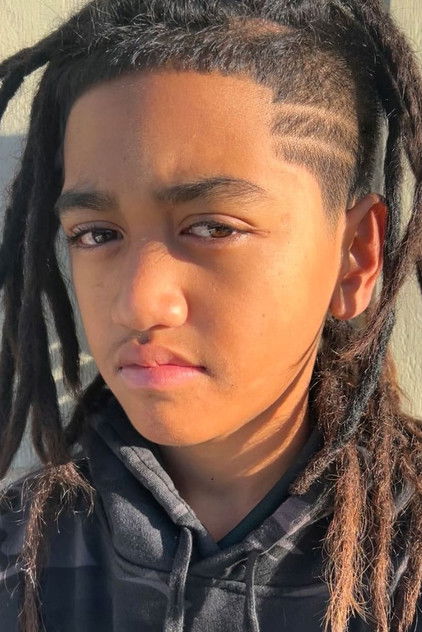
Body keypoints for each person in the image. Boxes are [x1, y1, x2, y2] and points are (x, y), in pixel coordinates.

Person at [0, 1, 421, 631]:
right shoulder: (20, 556)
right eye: (96, 234)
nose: (139, 304)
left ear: (354, 256)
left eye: (214, 227)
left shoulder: (404, 564)